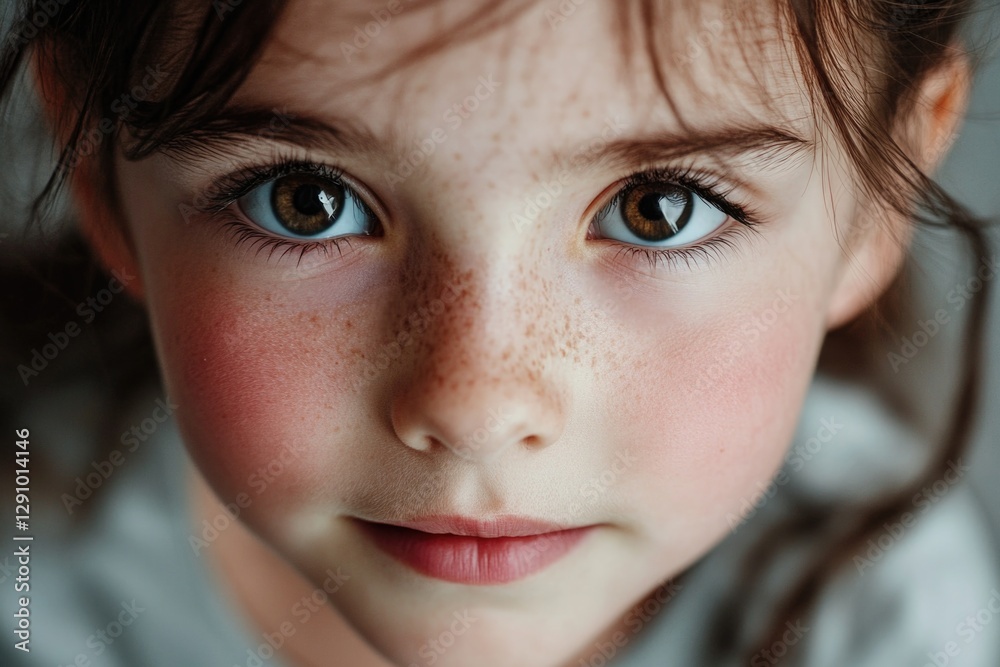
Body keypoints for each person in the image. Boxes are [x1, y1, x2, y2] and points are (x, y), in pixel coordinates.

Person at [1, 1, 998, 665]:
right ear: (99, 169)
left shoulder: (888, 609)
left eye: (659, 208)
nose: (476, 405)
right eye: (305, 201)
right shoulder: (37, 584)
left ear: (875, 199)